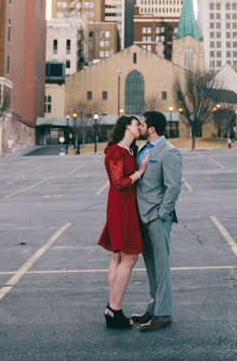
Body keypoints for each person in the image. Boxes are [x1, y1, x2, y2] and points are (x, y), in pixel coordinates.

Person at [131, 110, 183, 332]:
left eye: (142, 124)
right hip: (141, 216)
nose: (140, 127)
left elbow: (174, 186)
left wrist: (163, 214)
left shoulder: (170, 152)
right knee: (151, 266)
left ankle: (164, 314)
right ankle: (154, 308)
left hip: (157, 218)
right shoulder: (143, 148)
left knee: (162, 266)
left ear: (151, 128)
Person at [97, 115, 149, 329]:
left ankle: (112, 308)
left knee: (118, 257)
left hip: (125, 206)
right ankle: (114, 309)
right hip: (121, 207)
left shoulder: (130, 150)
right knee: (129, 258)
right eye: (138, 124)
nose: (140, 128)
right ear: (128, 126)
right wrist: (140, 172)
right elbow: (118, 183)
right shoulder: (115, 152)